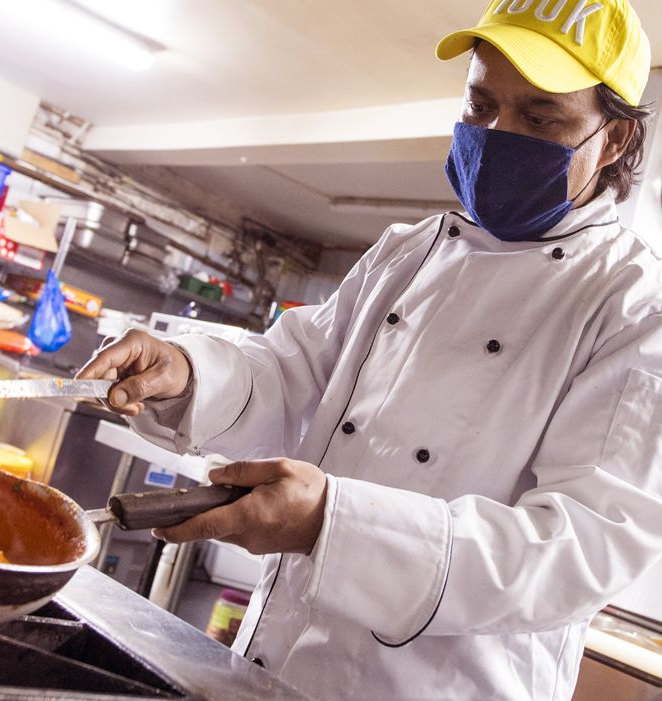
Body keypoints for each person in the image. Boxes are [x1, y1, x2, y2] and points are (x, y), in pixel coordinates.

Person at [77, 1, 658, 699]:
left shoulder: (634, 307)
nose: (497, 134)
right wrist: (190, 372)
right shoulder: (405, 253)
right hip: (276, 662)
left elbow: (578, 550)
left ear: (617, 137)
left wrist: (333, 521)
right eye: (480, 103)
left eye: (538, 118)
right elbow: (290, 377)